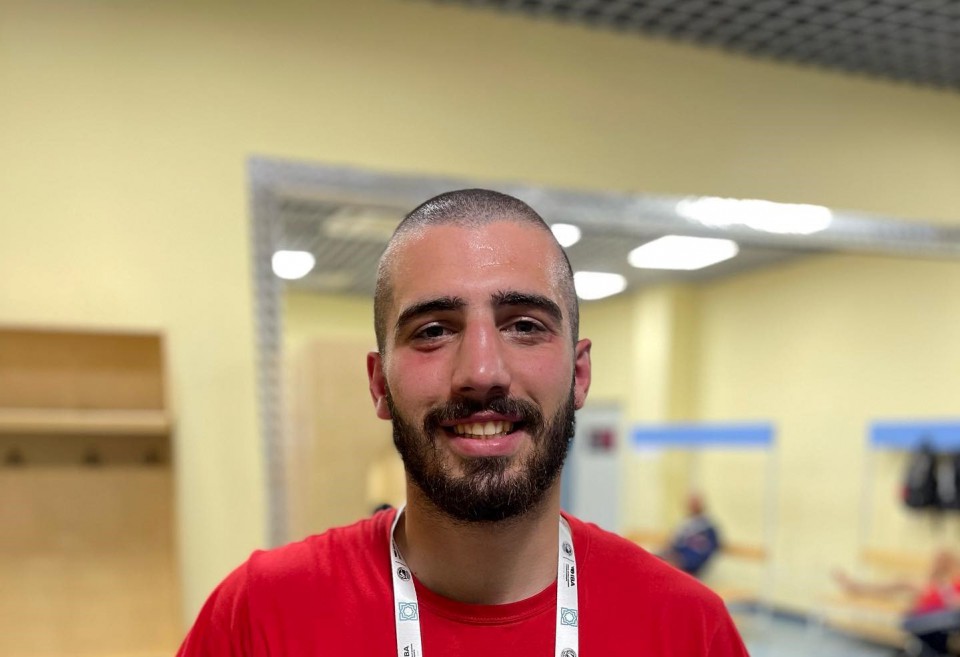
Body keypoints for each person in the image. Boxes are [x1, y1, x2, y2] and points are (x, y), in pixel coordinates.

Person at [177, 189, 749, 656]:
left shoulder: (688, 630)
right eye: (433, 331)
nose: (481, 372)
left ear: (579, 375)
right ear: (379, 384)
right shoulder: (260, 616)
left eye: (524, 325)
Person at [833, 549, 960, 656]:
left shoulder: (954, 582)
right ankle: (857, 587)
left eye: (941, 560)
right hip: (923, 618)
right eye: (936, 560)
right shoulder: (927, 584)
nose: (936, 563)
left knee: (913, 622)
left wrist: (945, 588)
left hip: (942, 620)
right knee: (903, 584)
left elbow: (955, 604)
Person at [662, 492, 722, 578]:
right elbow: (673, 545)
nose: (693, 506)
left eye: (695, 503)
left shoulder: (707, 529)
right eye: (691, 503)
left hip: (688, 571)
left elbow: (702, 554)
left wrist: (682, 562)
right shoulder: (684, 524)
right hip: (673, 566)